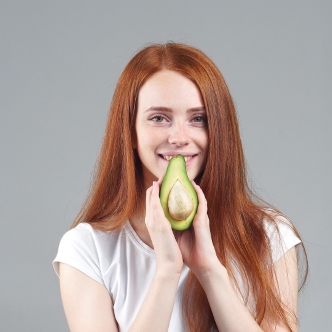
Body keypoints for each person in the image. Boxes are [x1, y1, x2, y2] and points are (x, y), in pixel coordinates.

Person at [53, 43, 307, 332]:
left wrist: (210, 271)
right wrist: (166, 272)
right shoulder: (87, 249)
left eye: (198, 119)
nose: (179, 137)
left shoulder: (269, 236)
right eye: (159, 118)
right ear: (130, 132)